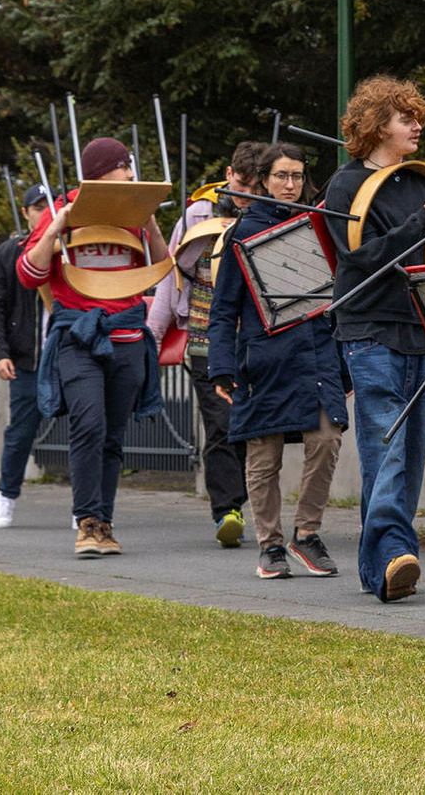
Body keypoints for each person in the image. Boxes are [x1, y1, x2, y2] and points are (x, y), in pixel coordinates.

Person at [321, 76, 425, 602]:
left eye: (417, 116)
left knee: (410, 450)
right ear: (378, 126)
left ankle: (382, 564)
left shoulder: (423, 183)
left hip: (418, 330)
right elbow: (360, 259)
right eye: (406, 118)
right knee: (387, 442)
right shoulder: (345, 185)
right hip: (369, 328)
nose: (417, 125)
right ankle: (391, 557)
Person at [18, 137, 170, 557]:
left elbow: (161, 269)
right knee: (89, 424)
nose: (131, 175)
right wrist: (57, 225)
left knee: (114, 435)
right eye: (125, 167)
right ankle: (86, 521)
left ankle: (104, 522)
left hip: (126, 337)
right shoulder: (63, 210)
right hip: (79, 339)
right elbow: (29, 274)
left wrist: (150, 223)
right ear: (104, 171)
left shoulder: (133, 215)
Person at [207, 143, 348, 580]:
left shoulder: (317, 227)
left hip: (316, 355)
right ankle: (269, 545)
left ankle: (307, 534)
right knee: (263, 456)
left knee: (326, 439)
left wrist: (342, 364)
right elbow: (223, 309)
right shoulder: (240, 234)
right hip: (263, 360)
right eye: (281, 176)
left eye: (297, 177)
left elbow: (337, 300)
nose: (290, 185)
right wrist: (222, 367)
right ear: (264, 179)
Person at [147, 140, 266, 548]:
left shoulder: (268, 217)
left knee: (250, 428)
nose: (246, 193)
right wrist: (154, 334)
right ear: (229, 175)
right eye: (241, 183)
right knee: (219, 424)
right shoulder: (197, 214)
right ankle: (226, 510)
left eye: (255, 186)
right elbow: (171, 275)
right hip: (205, 340)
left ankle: (240, 498)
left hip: (253, 342)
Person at [0, 183, 49, 528]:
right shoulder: (9, 254)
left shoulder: (70, 248)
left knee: (88, 429)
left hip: (69, 356)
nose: (43, 213)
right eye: (37, 207)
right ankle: (6, 495)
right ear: (25, 213)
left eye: (48, 206)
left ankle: (87, 509)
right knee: (21, 432)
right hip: (27, 361)